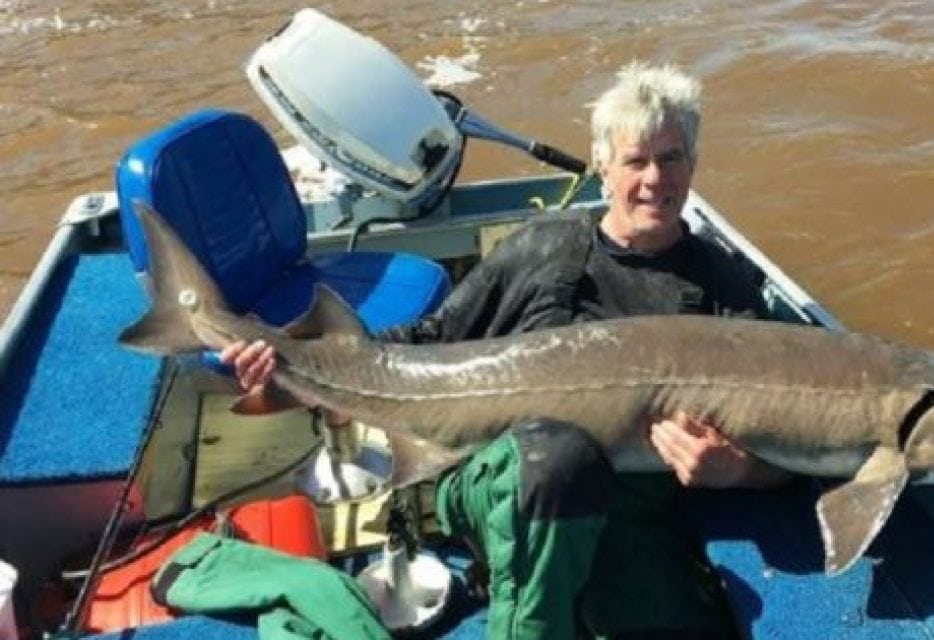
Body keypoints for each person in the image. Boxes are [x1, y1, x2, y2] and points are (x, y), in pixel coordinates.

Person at [222, 61, 789, 639]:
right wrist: (302, 372)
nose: (654, 179)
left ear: (693, 164)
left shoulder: (724, 289)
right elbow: (429, 341)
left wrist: (741, 470)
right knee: (558, 456)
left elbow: (796, 434)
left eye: (671, 158)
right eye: (635, 160)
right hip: (495, 475)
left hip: (631, 507)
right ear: (602, 167)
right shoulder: (544, 246)